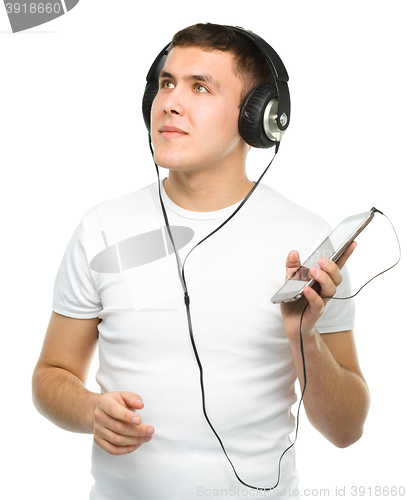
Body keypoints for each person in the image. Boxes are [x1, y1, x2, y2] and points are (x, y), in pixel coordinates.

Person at [32, 23, 370, 499]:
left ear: (258, 117)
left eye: (200, 87)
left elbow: (347, 429)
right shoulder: (102, 228)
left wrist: (305, 340)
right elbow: (51, 374)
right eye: (166, 83)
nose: (170, 101)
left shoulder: (308, 242)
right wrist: (90, 410)